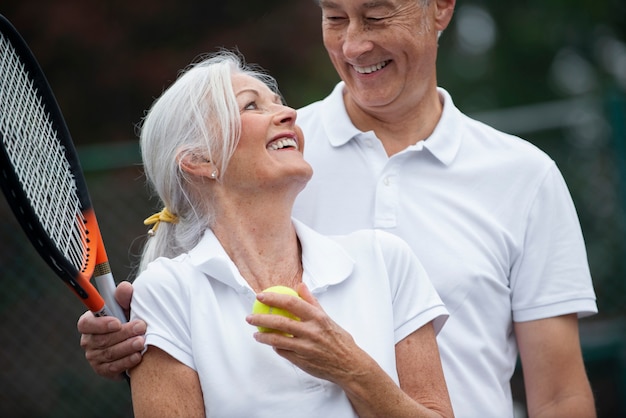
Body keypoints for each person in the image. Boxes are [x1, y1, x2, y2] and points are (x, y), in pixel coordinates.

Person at [79, 0, 598, 416]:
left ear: (439, 8)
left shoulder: (525, 176)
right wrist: (133, 347)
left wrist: (351, 367)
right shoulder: (279, 150)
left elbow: (560, 397)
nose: (353, 44)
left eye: (376, 16)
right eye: (334, 18)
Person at [125, 50, 453, 418]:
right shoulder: (167, 290)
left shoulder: (385, 259)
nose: (289, 114)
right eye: (251, 106)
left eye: (279, 102)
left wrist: (352, 368)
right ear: (201, 161)